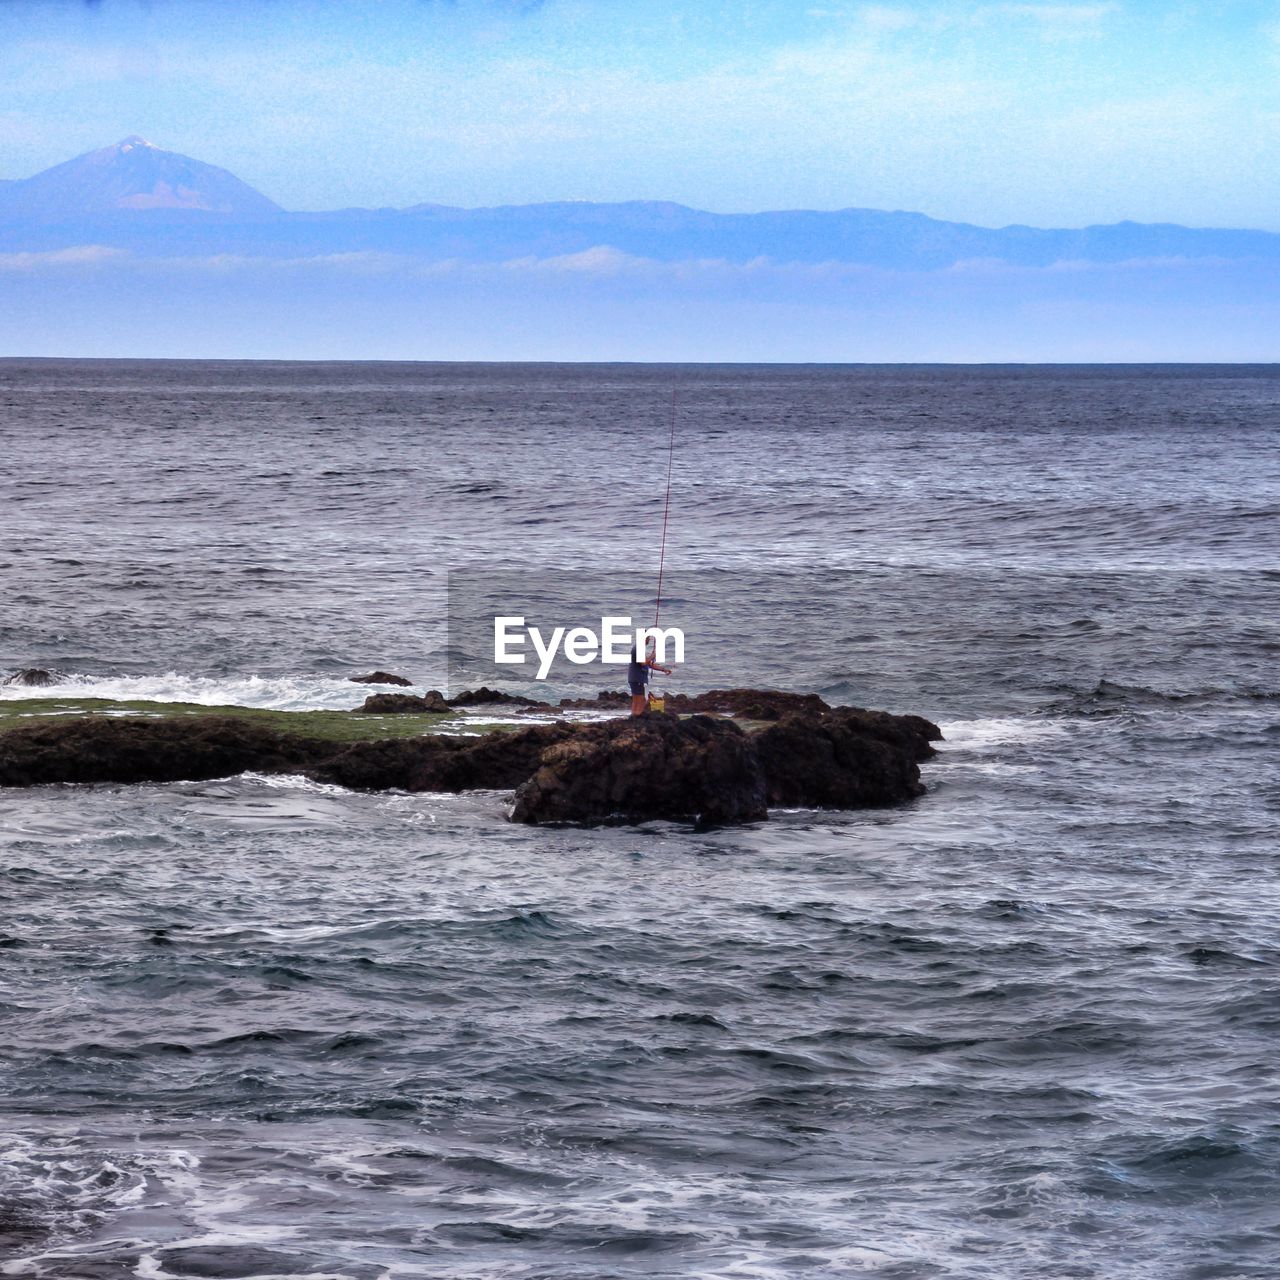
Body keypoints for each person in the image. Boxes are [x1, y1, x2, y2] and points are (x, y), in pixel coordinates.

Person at [628, 636, 673, 716]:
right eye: (648, 638)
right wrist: (653, 656)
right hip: (638, 678)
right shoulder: (638, 648)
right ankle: (637, 719)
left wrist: (663, 669)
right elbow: (643, 663)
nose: (649, 639)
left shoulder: (638, 648)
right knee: (642, 700)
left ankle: (633, 718)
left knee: (636, 701)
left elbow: (649, 664)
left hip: (635, 678)